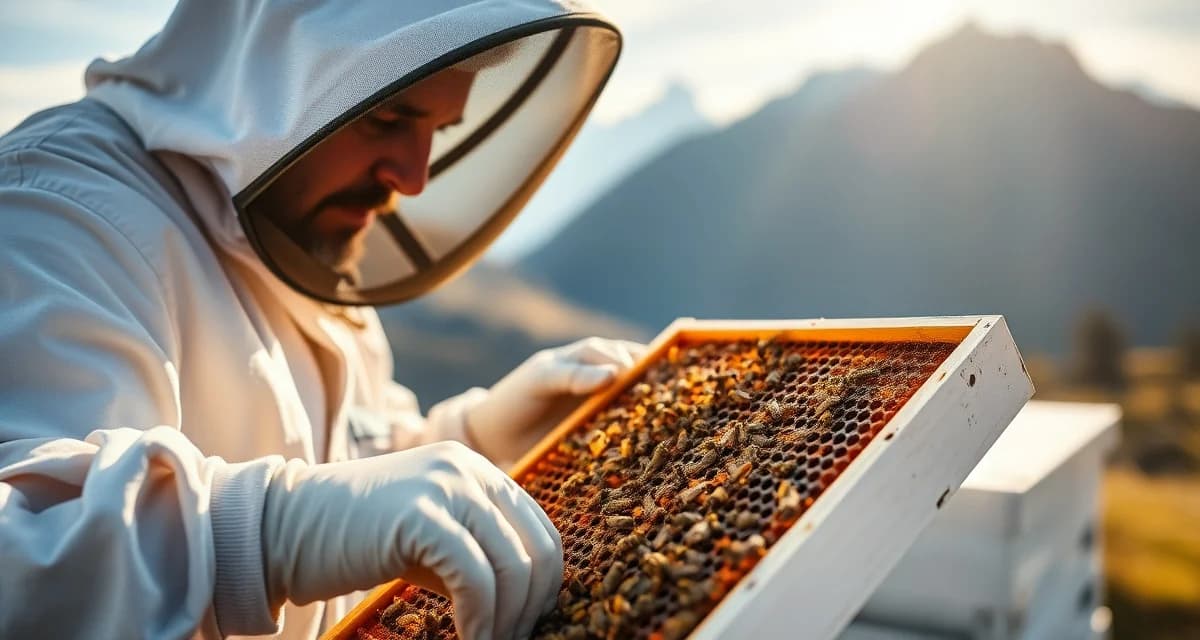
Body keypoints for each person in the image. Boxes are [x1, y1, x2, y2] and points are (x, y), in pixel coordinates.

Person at [0, 1, 629, 639]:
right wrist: (271, 534)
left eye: (436, 131)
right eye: (386, 118)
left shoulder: (301, 226)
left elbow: (350, 477)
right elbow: (19, 556)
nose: (411, 179)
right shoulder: (51, 214)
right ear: (273, 72)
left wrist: (479, 439)